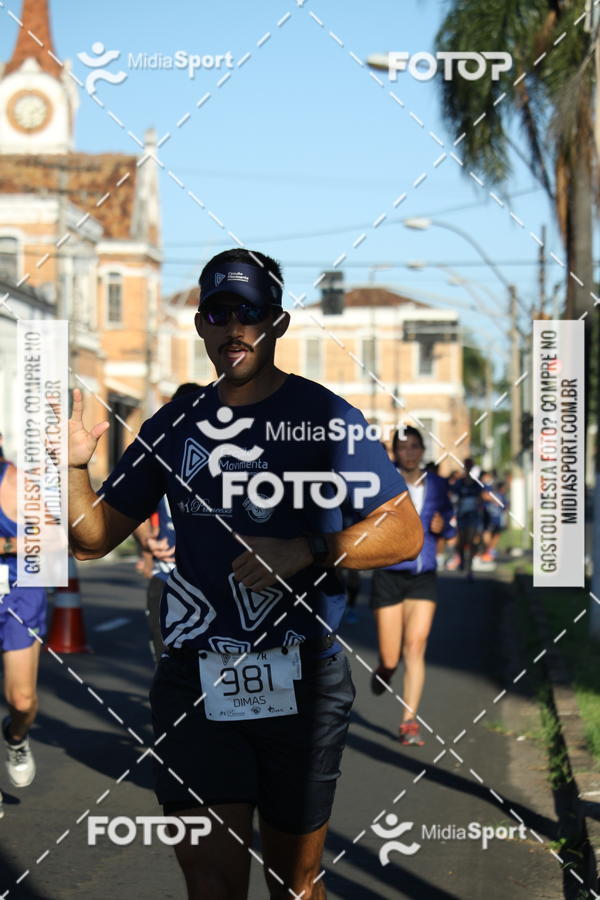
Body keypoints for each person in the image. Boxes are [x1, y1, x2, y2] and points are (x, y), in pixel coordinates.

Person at [67, 248, 423, 900]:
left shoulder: (324, 417)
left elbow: (403, 531)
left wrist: (311, 548)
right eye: (217, 313)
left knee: (295, 884)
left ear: (277, 323)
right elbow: (91, 540)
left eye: (250, 313)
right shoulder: (173, 424)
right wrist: (71, 466)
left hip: (303, 677)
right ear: (201, 326)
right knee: (210, 882)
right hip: (196, 677)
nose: (234, 327)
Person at [369, 426, 455, 746]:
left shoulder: (439, 485)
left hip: (423, 575)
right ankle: (385, 671)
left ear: (423, 450)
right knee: (391, 658)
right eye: (403, 447)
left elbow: (448, 524)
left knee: (416, 647)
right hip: (388, 574)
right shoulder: (382, 483)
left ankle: (409, 721)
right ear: (394, 452)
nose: (409, 452)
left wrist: (442, 526)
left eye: (415, 446)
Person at [134, 383, 202, 663]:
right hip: (166, 580)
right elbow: (133, 507)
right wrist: (148, 542)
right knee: (166, 668)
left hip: (212, 583)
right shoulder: (160, 457)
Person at [0, 458, 47, 816]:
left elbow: (55, 537)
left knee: (21, 700)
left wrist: (10, 543)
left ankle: (16, 737)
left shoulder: (17, 482)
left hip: (17, 594)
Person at [451, 458, 484, 579]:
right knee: (462, 542)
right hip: (461, 516)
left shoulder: (476, 484)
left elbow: (481, 497)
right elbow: (453, 495)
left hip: (473, 516)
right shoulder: (459, 483)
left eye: (470, 466)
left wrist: (478, 505)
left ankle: (470, 569)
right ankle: (462, 561)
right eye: (467, 466)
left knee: (470, 542)